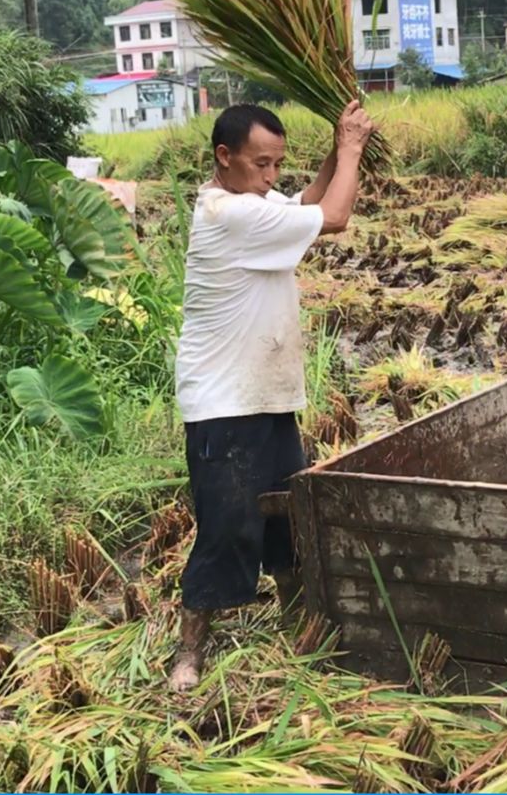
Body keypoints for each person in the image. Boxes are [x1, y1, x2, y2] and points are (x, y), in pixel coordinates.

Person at [169, 99, 375, 692]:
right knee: (226, 527)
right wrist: (354, 150)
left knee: (288, 515)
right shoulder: (229, 214)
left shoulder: (255, 200)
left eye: (278, 164)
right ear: (224, 157)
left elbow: (306, 203)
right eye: (262, 164)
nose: (271, 177)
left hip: (267, 396)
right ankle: (190, 654)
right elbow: (333, 218)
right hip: (225, 402)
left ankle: (297, 625)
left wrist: (338, 150)